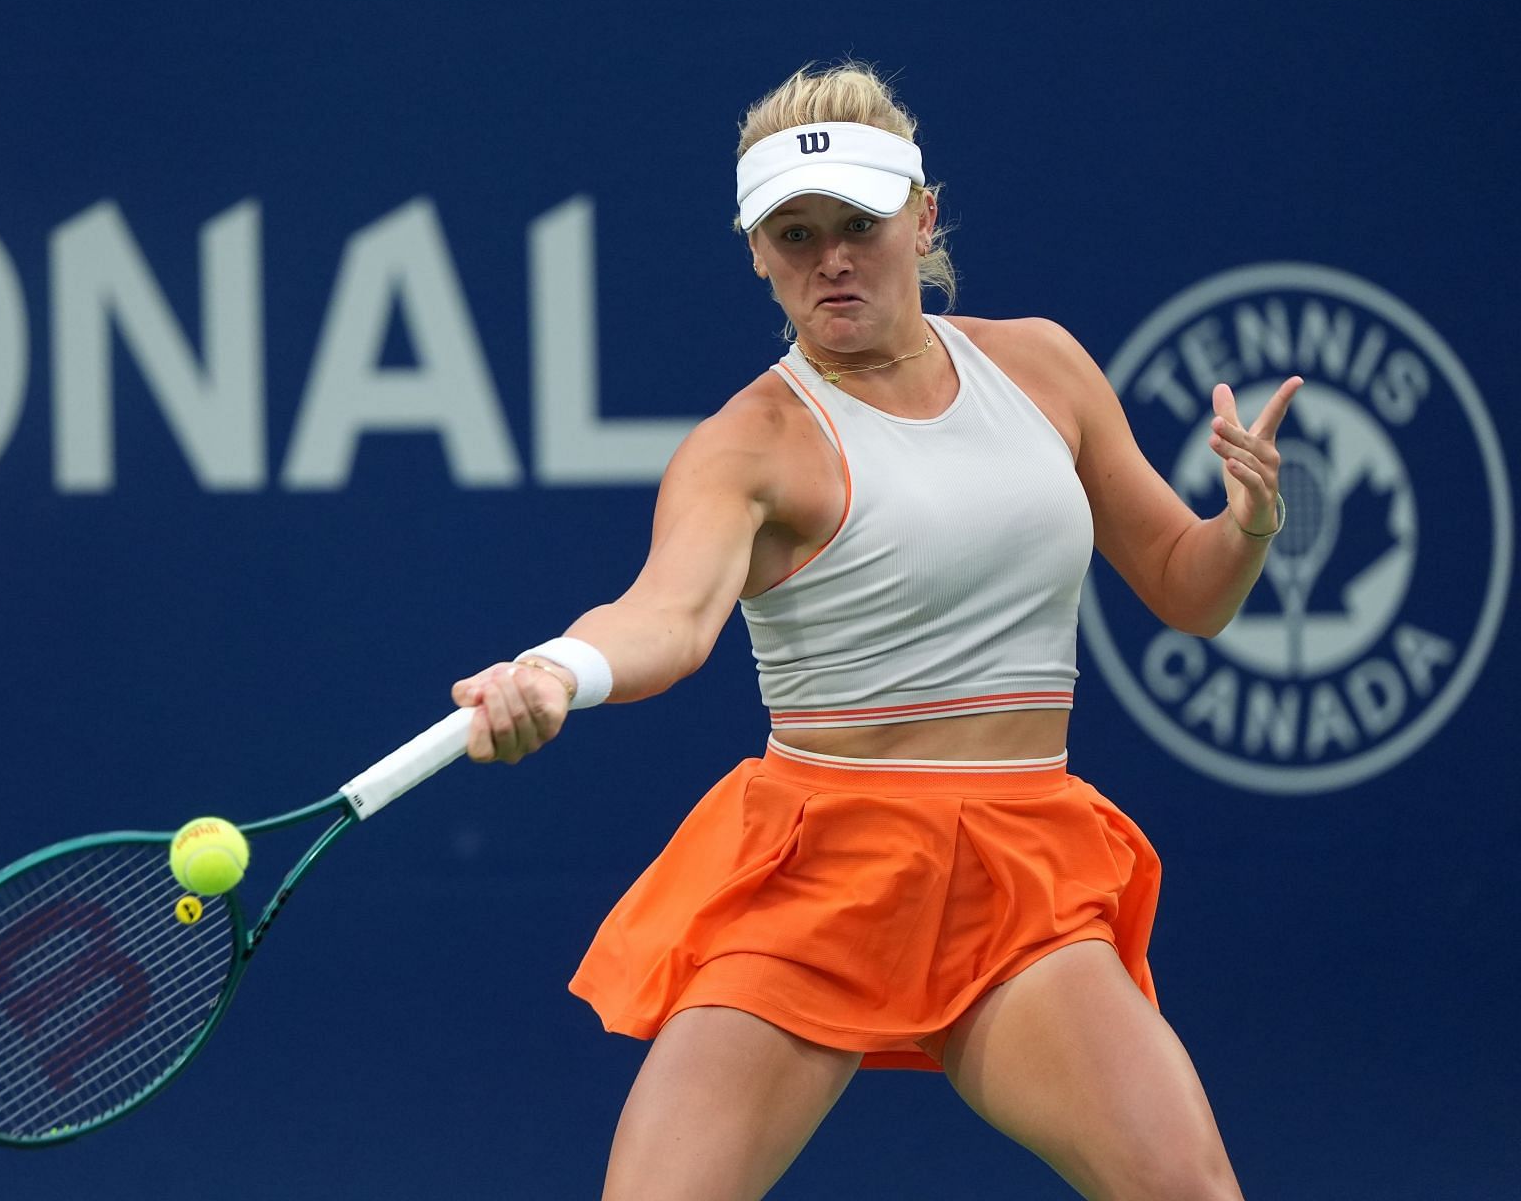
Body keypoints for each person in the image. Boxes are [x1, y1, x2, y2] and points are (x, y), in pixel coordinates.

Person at [451, 61, 1300, 1201]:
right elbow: (668, 612)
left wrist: (1245, 525)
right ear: (756, 251)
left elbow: (1188, 589)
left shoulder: (1042, 368)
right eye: (794, 235)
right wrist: (561, 668)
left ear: (924, 215)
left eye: (858, 221)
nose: (831, 258)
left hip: (1023, 870)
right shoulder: (749, 443)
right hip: (823, 867)